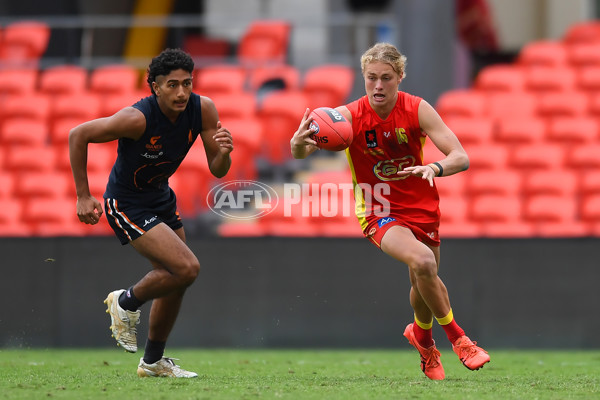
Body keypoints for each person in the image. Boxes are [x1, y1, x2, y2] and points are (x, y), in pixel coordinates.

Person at [290, 42, 489, 380]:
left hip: (423, 206)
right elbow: (301, 154)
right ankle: (460, 340)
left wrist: (436, 168)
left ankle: (422, 340)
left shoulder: (417, 109)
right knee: (423, 262)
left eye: (386, 78)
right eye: (371, 78)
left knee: (422, 278)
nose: (378, 86)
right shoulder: (347, 117)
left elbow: (461, 156)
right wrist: (297, 146)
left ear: (400, 77)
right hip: (378, 207)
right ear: (364, 78)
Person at [69, 48, 233, 378]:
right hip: (126, 202)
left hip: (160, 198)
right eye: (172, 85)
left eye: (187, 83)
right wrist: (84, 196)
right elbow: (79, 134)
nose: (182, 92)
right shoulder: (137, 118)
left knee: (176, 280)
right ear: (155, 87)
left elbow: (218, 169)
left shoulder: (203, 109)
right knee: (187, 268)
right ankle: (126, 302)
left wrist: (226, 153)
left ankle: (153, 362)